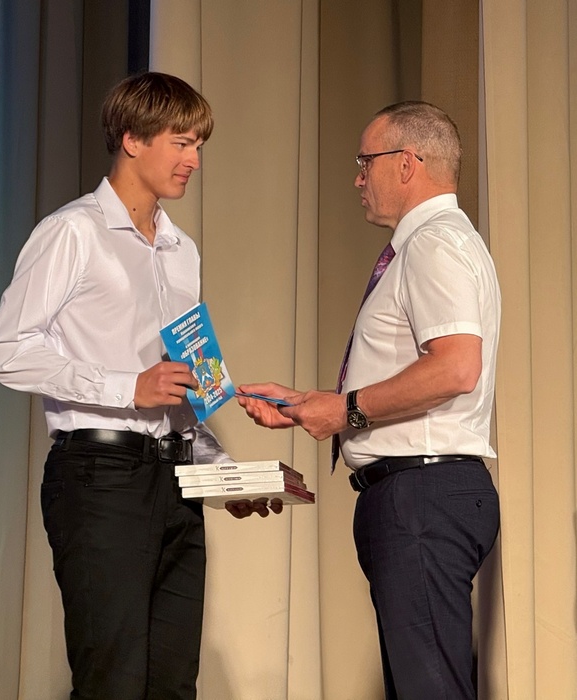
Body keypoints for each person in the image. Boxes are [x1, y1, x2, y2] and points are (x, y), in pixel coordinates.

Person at [0, 71, 276, 700]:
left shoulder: (181, 250)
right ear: (132, 140)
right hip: (99, 475)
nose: (194, 160)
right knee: (112, 680)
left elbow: (181, 388)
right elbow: (5, 351)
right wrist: (125, 386)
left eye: (199, 145)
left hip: (175, 479)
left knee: (173, 682)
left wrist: (224, 476)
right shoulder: (73, 231)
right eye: (181, 143)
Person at [237, 101, 501, 699]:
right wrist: (315, 403)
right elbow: (415, 370)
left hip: (421, 496)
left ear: (407, 163)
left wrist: (346, 409)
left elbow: (456, 367)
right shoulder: (434, 244)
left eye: (365, 162)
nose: (358, 179)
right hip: (419, 494)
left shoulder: (434, 244)